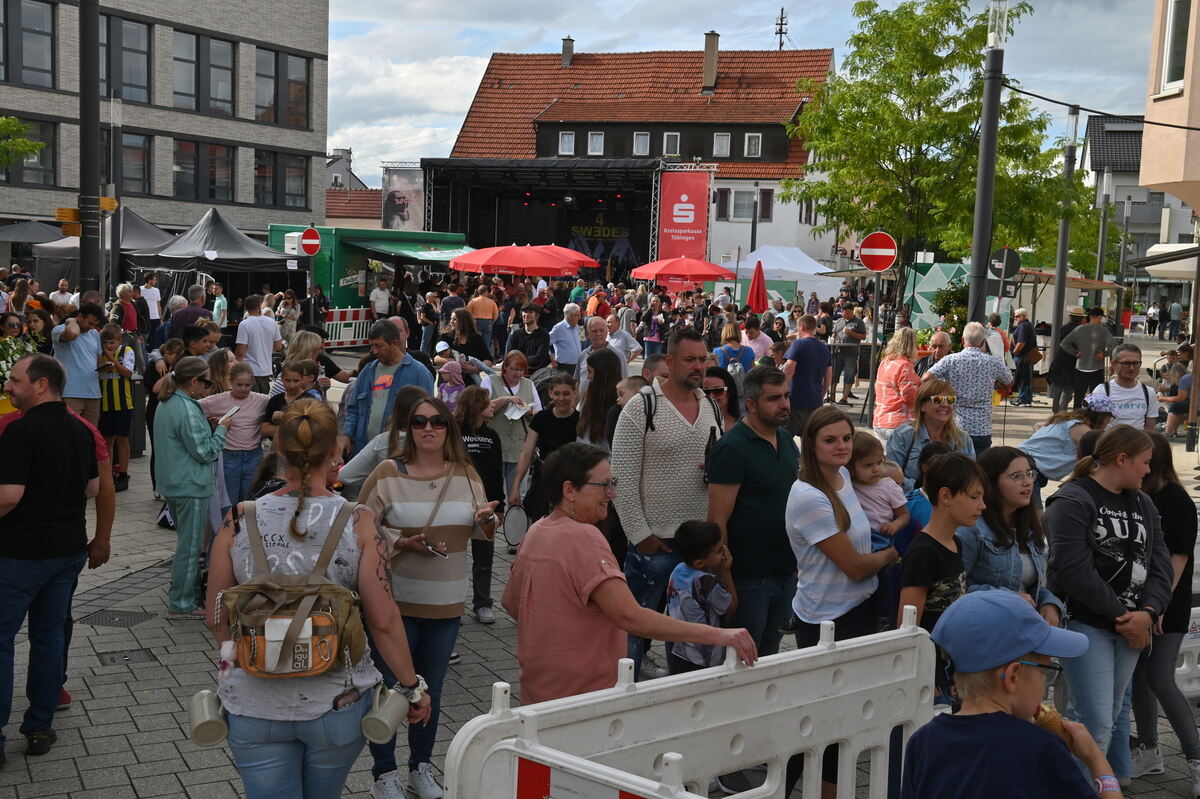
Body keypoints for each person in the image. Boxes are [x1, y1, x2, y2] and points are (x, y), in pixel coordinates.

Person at [204, 399, 432, 799]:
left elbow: (216, 615)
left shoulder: (238, 518)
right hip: (336, 700)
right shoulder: (358, 521)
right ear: (335, 452)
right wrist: (412, 687)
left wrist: (239, 657)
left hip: (253, 701)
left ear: (277, 451)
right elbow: (383, 620)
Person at [502, 443, 755, 703]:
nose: (612, 493)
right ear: (570, 490)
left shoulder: (535, 532)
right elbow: (630, 617)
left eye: (613, 483)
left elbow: (511, 602)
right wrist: (719, 635)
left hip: (538, 689)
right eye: (604, 485)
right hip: (585, 695)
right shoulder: (585, 537)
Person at [359, 397, 498, 799]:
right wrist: (401, 540)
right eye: (419, 422)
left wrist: (488, 520)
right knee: (391, 689)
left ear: (448, 428)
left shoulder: (466, 473)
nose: (428, 428)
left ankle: (420, 768)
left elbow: (480, 530)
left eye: (438, 420)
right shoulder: (388, 473)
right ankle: (383, 775)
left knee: (429, 689)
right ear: (408, 429)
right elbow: (358, 528)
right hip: (393, 603)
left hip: (446, 603)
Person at [1045, 425, 1173, 786]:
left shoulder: (1142, 502)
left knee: (1110, 716)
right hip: (1088, 625)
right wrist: (1125, 618)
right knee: (1095, 723)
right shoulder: (1072, 499)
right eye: (1144, 463)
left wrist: (1148, 613)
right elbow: (1072, 570)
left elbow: (1159, 563)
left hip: (1132, 625)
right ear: (1121, 459)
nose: (1148, 471)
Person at [901, 590, 1118, 799]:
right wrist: (1097, 761)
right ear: (1013, 676)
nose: (1044, 684)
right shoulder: (1040, 748)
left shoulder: (922, 743)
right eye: (1044, 672)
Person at [785, 406, 899, 794]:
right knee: (822, 724)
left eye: (846, 438)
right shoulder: (809, 497)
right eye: (830, 440)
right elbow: (853, 567)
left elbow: (887, 472)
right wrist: (891, 555)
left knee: (843, 722)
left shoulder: (845, 476)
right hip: (827, 620)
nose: (841, 447)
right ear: (811, 445)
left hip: (857, 611)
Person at [0, 355, 99, 762]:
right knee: (48, 640)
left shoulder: (20, 432)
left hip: (20, 555)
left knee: (2, 644)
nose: (8, 387)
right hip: (67, 552)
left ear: (41, 384)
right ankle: (39, 728)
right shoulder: (81, 430)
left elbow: (9, 496)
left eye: (14, 380)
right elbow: (93, 488)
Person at [612, 329, 723, 676]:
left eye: (703, 359)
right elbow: (621, 478)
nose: (698, 367)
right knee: (637, 624)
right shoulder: (642, 406)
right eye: (690, 359)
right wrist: (639, 533)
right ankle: (625, 687)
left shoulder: (711, 407)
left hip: (700, 544)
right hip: (655, 542)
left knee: (691, 628)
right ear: (670, 362)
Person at [705, 366, 798, 659]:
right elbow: (717, 520)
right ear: (751, 404)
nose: (784, 404)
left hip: (785, 572)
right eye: (774, 398)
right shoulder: (732, 448)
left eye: (785, 396)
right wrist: (726, 580)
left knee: (769, 656)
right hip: (750, 579)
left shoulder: (784, 439)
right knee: (742, 661)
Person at [1129, 432, 1200, 788]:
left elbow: (1178, 560)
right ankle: (1150, 750)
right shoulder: (1136, 496)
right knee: (1139, 677)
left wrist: (1157, 607)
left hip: (1166, 604)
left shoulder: (1176, 501)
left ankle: (1195, 756)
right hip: (1138, 603)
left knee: (1159, 677)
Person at [898, 451, 984, 697]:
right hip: (931, 678)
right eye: (974, 497)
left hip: (951, 669)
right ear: (945, 496)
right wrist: (924, 676)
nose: (982, 505)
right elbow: (908, 625)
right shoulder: (923, 553)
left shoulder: (955, 542)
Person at [153, 356, 231, 617]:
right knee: (190, 547)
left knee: (186, 544)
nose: (209, 388)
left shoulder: (168, 403)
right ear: (194, 381)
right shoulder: (186, 407)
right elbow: (205, 452)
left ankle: (186, 596)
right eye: (207, 383)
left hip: (174, 483)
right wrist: (221, 431)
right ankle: (183, 602)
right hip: (190, 485)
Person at [341, 320, 436, 457]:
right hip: (363, 451)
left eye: (379, 346)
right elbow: (353, 409)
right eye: (372, 346)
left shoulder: (419, 373)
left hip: (399, 454)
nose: (374, 351)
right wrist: (347, 435)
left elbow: (427, 415)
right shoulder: (368, 371)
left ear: (395, 342)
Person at [455, 386, 505, 626]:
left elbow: (497, 472)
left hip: (486, 506)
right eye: (488, 402)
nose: (492, 405)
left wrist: (501, 505)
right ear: (475, 405)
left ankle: (483, 603)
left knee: (484, 558)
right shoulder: (453, 434)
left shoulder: (493, 436)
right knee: (453, 557)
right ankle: (453, 605)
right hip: (456, 504)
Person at [925, 321, 1013, 455]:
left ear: (962, 340)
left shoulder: (950, 360)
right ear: (983, 342)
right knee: (977, 469)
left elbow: (926, 378)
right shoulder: (993, 362)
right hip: (982, 427)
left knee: (953, 465)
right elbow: (1009, 380)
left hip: (955, 425)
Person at [664, 520, 736, 674]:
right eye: (718, 551)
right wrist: (726, 572)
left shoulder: (677, 570)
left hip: (679, 651)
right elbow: (731, 607)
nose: (723, 553)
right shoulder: (705, 582)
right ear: (699, 562)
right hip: (703, 658)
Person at [507, 374, 579, 522]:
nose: (561, 398)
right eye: (557, 393)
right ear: (550, 393)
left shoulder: (581, 420)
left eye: (566, 393)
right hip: (544, 480)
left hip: (571, 481)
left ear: (574, 393)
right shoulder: (541, 418)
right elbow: (526, 453)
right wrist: (516, 485)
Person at [1018, 399, 1114, 506]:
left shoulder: (1068, 420)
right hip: (1031, 468)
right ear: (1104, 418)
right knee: (1035, 516)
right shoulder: (1084, 431)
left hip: (1021, 458)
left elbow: (1038, 425)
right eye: (1110, 418)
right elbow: (1094, 460)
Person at [198, 363, 270, 507]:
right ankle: (230, 528)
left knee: (249, 499)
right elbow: (193, 409)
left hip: (253, 456)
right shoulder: (217, 400)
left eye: (248, 385)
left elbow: (281, 403)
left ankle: (246, 528)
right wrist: (210, 428)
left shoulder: (262, 400)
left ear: (253, 383)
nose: (244, 389)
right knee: (229, 500)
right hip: (229, 455)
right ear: (230, 382)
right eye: (239, 385)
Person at [338, 386, 429, 498]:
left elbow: (346, 475)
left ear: (395, 410)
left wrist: (381, 478)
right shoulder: (434, 439)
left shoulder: (383, 442)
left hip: (390, 504)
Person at [886, 379, 975, 491]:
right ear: (923, 406)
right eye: (938, 400)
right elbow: (890, 475)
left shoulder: (962, 439)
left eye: (950, 400)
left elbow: (969, 479)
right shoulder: (903, 436)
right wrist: (924, 491)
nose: (945, 404)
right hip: (910, 503)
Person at [482, 351, 540, 494]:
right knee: (493, 492)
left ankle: (515, 516)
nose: (517, 373)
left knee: (518, 494)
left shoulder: (529, 384)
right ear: (505, 367)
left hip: (519, 448)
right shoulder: (490, 381)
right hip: (494, 447)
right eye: (514, 369)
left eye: (521, 370)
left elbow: (539, 414)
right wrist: (505, 399)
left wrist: (528, 412)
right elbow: (481, 408)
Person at [97, 324, 135, 492]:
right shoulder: (100, 354)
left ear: (119, 340)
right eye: (105, 343)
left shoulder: (126, 351)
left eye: (112, 342)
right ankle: (109, 473)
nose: (108, 346)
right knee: (106, 441)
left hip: (123, 403)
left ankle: (123, 474)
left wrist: (112, 359)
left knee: (122, 439)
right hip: (105, 403)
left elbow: (128, 373)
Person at [1085, 343, 1158, 431]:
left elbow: (1150, 428)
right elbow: (1092, 426)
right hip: (1109, 442)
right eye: (1126, 363)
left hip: (1138, 443)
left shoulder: (1149, 392)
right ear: (1114, 364)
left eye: (1136, 363)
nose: (1131, 368)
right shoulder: (1102, 391)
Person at [782, 314, 831, 436]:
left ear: (802, 327)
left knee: (785, 437)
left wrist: (781, 392)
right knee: (810, 440)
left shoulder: (798, 344)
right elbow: (829, 375)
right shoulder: (824, 348)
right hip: (815, 400)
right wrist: (822, 394)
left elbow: (789, 370)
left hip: (796, 399)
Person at [873, 326, 920, 445]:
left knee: (885, 462)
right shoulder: (905, 366)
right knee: (901, 463)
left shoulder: (885, 362)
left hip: (880, 420)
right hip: (899, 422)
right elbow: (910, 397)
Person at [1060, 307, 1114, 408]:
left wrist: (1075, 352)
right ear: (1099, 317)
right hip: (1097, 368)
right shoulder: (1104, 330)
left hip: (1080, 367)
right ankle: (1094, 420)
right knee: (1097, 398)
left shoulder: (1079, 329)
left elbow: (1064, 344)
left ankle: (1077, 418)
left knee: (1078, 398)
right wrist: (1105, 353)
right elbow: (1114, 347)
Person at [234, 295, 283, 395]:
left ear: (245, 308)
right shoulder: (272, 322)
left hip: (249, 371)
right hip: (266, 371)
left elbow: (240, 352)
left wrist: (235, 370)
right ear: (260, 306)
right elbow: (278, 346)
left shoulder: (244, 324)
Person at [260, 361, 321, 439]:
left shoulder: (310, 400)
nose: (291, 385)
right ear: (281, 379)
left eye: (296, 381)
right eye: (288, 380)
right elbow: (264, 429)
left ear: (302, 379)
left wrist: (285, 417)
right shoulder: (275, 400)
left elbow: (313, 427)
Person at [1048, 306, 1087, 412]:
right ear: (1081, 318)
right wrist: (1076, 353)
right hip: (1073, 363)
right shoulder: (1081, 330)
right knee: (1068, 389)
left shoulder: (1065, 328)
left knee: (1058, 389)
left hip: (1060, 361)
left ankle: (1056, 413)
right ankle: (1062, 413)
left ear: (1070, 316)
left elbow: (1063, 343)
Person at [830, 303, 866, 405]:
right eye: (842, 311)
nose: (843, 313)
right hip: (838, 351)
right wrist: (833, 336)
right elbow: (834, 333)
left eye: (845, 311)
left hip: (851, 353)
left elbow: (863, 336)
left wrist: (851, 334)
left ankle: (844, 398)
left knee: (849, 375)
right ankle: (832, 396)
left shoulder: (858, 322)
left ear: (851, 311)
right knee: (834, 374)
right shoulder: (839, 321)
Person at [505, 304, 550, 370]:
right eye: (525, 312)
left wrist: (518, 359)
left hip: (536, 374)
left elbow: (538, 359)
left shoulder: (543, 335)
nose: (527, 314)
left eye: (530, 312)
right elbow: (509, 356)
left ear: (536, 315)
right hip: (516, 372)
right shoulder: (516, 334)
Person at [1009, 308, 1036, 406]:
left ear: (1023, 316)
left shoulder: (1023, 326)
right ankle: (1027, 399)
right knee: (1026, 378)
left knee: (1021, 378)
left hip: (1022, 356)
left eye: (1017, 316)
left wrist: (1014, 352)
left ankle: (1022, 399)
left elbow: (1021, 342)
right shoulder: (1028, 325)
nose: (1015, 318)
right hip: (1027, 356)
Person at [1156, 357, 1190, 436]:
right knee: (1174, 407)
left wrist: (1163, 398)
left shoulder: (1183, 380)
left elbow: (1180, 397)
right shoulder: (1187, 377)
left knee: (1174, 407)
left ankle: (1168, 431)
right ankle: (1170, 429)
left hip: (1192, 403)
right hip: (1191, 401)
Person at [702, 367, 740, 432]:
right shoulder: (698, 425)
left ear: (729, 392)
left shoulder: (743, 426)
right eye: (706, 392)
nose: (711, 396)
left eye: (718, 391)